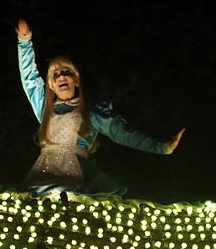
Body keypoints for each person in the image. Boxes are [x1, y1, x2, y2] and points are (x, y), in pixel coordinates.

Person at [15, 18, 185, 195]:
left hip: (77, 177)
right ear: (50, 84)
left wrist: (160, 147)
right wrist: (25, 42)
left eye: (67, 72)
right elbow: (30, 80)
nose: (61, 77)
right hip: (43, 175)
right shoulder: (45, 110)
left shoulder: (91, 114)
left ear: (77, 80)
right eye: (56, 74)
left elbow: (122, 134)